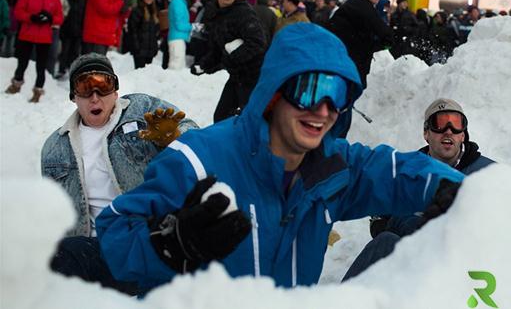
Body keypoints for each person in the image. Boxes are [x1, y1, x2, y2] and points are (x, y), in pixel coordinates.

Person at [95, 23, 464, 293]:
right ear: (273, 92)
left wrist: (462, 190)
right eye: (309, 90)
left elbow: (396, 171)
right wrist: (172, 244)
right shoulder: (198, 159)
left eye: (336, 95)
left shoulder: (331, 168)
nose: (322, 110)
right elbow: (113, 231)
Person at [42, 53, 198, 294]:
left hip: (149, 238)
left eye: (103, 85)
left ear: (115, 91)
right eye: (85, 87)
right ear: (74, 96)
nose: (95, 97)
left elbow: (195, 137)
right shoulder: (55, 148)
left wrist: (175, 140)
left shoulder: (143, 110)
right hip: (95, 250)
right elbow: (53, 214)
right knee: (56, 257)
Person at [344, 98, 495, 281]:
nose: (448, 131)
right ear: (426, 133)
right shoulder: (408, 171)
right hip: (411, 265)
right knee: (385, 241)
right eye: (439, 123)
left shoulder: (489, 174)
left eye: (456, 124)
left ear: (463, 134)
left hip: (464, 269)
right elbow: (379, 218)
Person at [190, 0, 266, 123]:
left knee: (249, 120)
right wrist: (203, 65)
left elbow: (258, 41)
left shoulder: (243, 12)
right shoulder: (215, 14)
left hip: (254, 77)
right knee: (221, 117)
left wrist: (232, 58)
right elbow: (217, 49)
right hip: (237, 76)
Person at [4, 0, 63, 103]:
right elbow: (18, 12)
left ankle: (38, 91)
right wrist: (31, 17)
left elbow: (59, 17)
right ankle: (16, 84)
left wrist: (50, 19)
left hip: (44, 37)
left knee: (41, 66)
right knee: (22, 62)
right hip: (27, 35)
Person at [327, 0, 393, 90]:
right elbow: (384, 32)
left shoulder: (354, 4)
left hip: (343, 56)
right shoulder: (362, 4)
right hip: (349, 60)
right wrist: (386, 43)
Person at [127, 0, 160, 69]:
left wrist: (155, 47)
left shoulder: (154, 11)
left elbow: (154, 33)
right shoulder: (137, 11)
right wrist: (136, 47)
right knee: (140, 73)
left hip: (150, 50)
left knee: (147, 74)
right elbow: (132, 30)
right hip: (140, 50)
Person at [57, 0, 85, 78]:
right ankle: (62, 69)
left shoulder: (82, 1)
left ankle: (73, 69)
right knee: (65, 51)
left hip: (78, 31)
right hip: (67, 30)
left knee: (75, 52)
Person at [167, 0, 191, 70]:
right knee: (175, 67)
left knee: (179, 66)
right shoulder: (178, 3)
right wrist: (192, 27)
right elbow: (179, 25)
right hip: (176, 39)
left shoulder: (179, 2)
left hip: (179, 38)